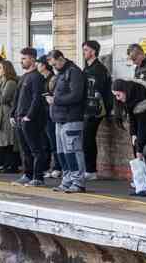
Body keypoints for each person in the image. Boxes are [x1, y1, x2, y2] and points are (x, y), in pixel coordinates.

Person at [47, 50, 86, 193]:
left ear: (61, 58)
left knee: (73, 151)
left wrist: (55, 100)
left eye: (55, 63)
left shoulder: (74, 72)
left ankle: (78, 181)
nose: (54, 67)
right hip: (60, 118)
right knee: (62, 153)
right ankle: (67, 179)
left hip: (71, 118)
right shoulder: (62, 73)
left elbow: (76, 95)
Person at [10, 48, 47, 187]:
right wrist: (12, 114)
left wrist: (29, 116)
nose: (21, 61)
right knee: (24, 150)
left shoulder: (37, 77)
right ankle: (28, 174)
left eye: (24, 58)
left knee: (36, 149)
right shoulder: (24, 77)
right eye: (22, 58)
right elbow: (17, 97)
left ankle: (38, 177)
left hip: (31, 120)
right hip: (20, 118)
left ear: (32, 59)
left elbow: (37, 98)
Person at [82, 40, 113, 181]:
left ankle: (91, 170)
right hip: (87, 108)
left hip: (96, 109)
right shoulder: (87, 68)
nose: (84, 52)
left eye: (86, 50)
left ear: (93, 51)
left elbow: (100, 91)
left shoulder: (99, 69)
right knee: (86, 139)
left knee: (88, 139)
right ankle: (88, 169)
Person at [0, 60, 19, 174]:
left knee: (9, 140)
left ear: (6, 69)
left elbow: (3, 98)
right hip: (0, 112)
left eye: (0, 68)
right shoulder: (2, 81)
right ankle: (6, 164)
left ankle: (12, 165)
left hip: (7, 113)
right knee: (3, 140)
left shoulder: (10, 82)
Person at [37, 56, 61, 179]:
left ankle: (58, 167)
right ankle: (47, 167)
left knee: (53, 141)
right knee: (45, 142)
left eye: (39, 64)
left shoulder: (52, 78)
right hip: (43, 113)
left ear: (44, 65)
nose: (37, 66)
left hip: (51, 113)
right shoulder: (41, 78)